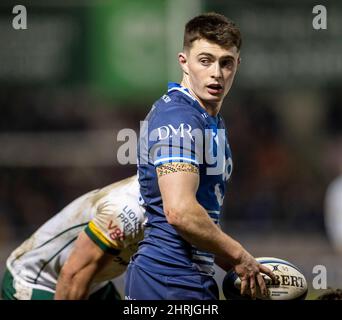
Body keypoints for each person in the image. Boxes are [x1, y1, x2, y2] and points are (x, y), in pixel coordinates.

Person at [125, 12, 275, 300]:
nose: (216, 73)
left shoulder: (208, 119)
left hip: (188, 278)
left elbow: (200, 224)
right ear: (184, 61)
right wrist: (239, 254)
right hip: (166, 280)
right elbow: (179, 211)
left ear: (237, 65)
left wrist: (238, 262)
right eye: (205, 60)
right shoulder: (178, 117)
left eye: (226, 63)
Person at [1, 175, 146, 300]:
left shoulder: (158, 196)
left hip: (94, 282)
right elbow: (72, 276)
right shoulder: (128, 210)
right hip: (38, 281)